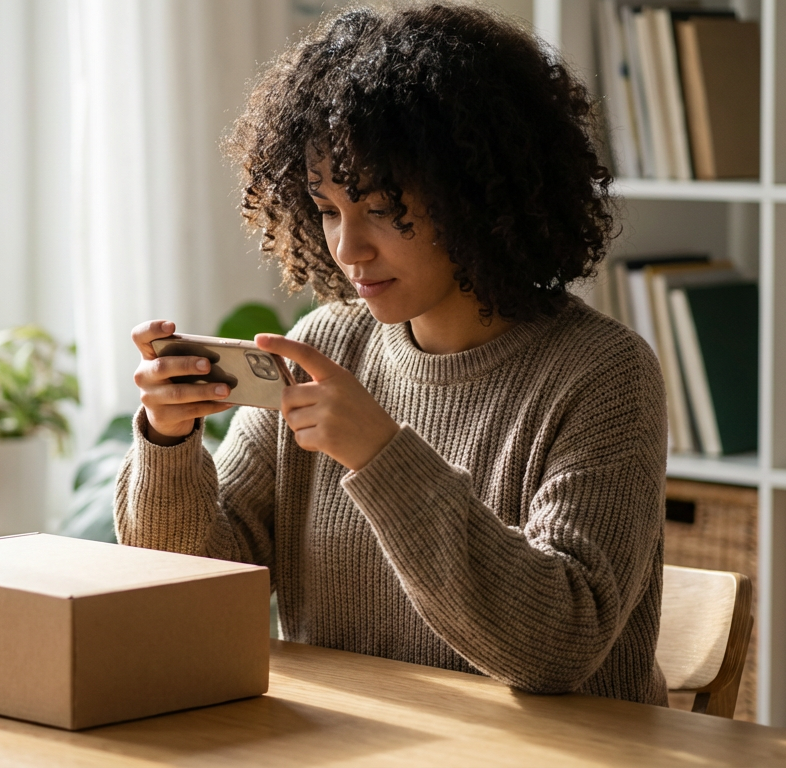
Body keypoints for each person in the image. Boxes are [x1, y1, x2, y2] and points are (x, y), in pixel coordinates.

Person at [116, 2, 668, 705]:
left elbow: (558, 644)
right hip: (358, 746)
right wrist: (169, 439)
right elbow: (192, 588)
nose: (348, 249)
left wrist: (381, 454)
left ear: (475, 196)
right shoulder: (324, 347)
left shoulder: (604, 374)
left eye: (381, 209)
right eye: (327, 209)